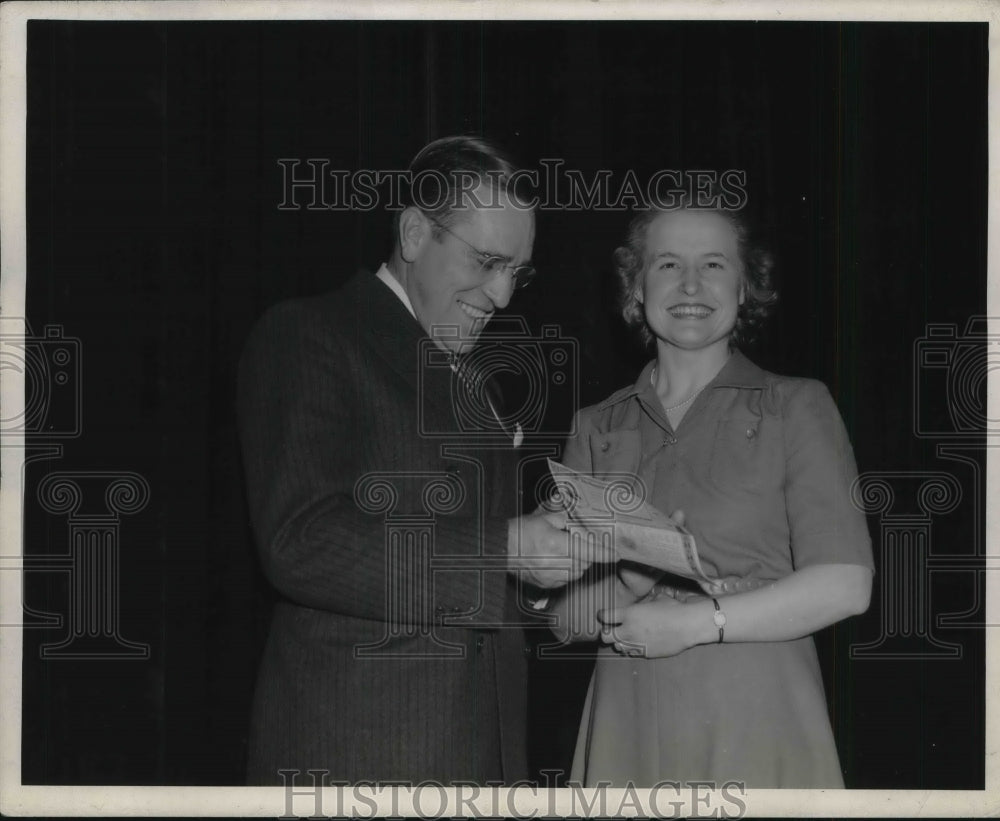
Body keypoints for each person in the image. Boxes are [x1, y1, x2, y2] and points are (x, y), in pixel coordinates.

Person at [237, 136, 603, 785]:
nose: (503, 294)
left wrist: (545, 570)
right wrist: (505, 548)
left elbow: (475, 580)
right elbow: (301, 542)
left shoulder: (475, 386)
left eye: (518, 271)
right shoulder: (308, 334)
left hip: (480, 762)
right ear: (413, 231)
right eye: (488, 261)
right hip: (363, 760)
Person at [551, 203, 874, 788]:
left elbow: (847, 585)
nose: (691, 284)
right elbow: (565, 619)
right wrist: (629, 578)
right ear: (636, 286)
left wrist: (700, 622)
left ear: (746, 285)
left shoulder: (796, 406)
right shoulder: (595, 426)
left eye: (715, 265)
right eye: (668, 263)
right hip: (628, 722)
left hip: (758, 716)